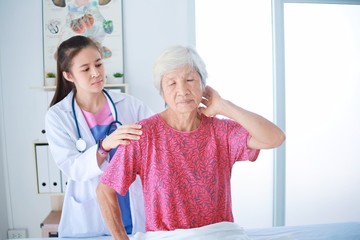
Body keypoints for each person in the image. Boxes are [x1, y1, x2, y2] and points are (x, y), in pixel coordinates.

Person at [96, 45, 286, 239]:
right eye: (172, 83)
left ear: (203, 86)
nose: (183, 90)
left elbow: (275, 138)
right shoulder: (143, 135)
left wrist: (223, 106)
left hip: (220, 235)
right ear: (161, 91)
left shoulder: (221, 131)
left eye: (190, 80)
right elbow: (105, 190)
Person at [45, 35, 153, 237]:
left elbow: (158, 137)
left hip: (129, 205)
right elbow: (73, 167)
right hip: (90, 215)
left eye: (99, 64)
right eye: (85, 69)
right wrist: (105, 145)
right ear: (69, 76)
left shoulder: (130, 105)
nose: (96, 73)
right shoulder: (58, 116)